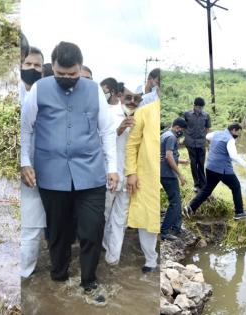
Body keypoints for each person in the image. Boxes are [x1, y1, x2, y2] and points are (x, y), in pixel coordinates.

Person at [21, 41, 118, 294]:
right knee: (58, 231)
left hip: (91, 172)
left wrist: (113, 167)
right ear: (52, 67)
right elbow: (26, 128)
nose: (66, 78)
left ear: (79, 67)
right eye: (61, 74)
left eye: (72, 74)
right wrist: (25, 162)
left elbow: (107, 130)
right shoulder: (38, 90)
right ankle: (59, 275)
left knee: (92, 227)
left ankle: (88, 280)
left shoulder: (94, 90)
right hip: (52, 174)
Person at [183, 123, 246, 220]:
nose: (238, 135)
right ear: (233, 130)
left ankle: (190, 208)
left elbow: (207, 136)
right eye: (238, 132)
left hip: (210, 167)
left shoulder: (217, 133)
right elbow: (233, 156)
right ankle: (239, 212)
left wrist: (213, 144)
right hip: (222, 169)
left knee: (206, 190)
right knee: (236, 186)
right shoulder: (230, 140)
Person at [102, 87, 139, 265]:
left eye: (136, 98)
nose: (132, 101)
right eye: (128, 97)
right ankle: (102, 246)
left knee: (120, 218)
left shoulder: (141, 118)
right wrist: (119, 128)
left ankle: (112, 258)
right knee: (105, 213)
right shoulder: (109, 114)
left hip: (129, 175)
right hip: (111, 173)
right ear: (120, 96)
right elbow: (102, 141)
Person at [125, 99, 160, 273]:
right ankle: (151, 260)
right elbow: (132, 145)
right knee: (146, 217)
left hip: (167, 173)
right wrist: (131, 172)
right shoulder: (144, 112)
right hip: (147, 173)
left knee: (163, 215)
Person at [20, 45, 46, 278]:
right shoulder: (16, 94)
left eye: (37, 65)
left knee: (32, 228)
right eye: (28, 64)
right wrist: (22, 161)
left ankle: (25, 275)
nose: (32, 68)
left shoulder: (41, 95)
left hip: (38, 171)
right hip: (23, 167)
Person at [161, 118, 189, 241]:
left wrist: (181, 161)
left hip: (164, 172)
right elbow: (168, 156)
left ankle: (176, 227)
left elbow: (163, 155)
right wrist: (180, 174)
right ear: (177, 127)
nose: (181, 133)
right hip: (168, 174)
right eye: (181, 130)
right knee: (175, 203)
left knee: (176, 200)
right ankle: (165, 231)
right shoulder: (171, 137)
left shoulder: (165, 134)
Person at [184, 97, 211, 192]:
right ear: (194, 106)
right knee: (193, 163)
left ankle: (203, 184)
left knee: (201, 163)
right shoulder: (187, 114)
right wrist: (185, 136)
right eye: (198, 107)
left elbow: (207, 128)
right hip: (190, 142)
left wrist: (207, 141)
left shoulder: (206, 115)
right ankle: (196, 184)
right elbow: (183, 126)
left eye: (201, 107)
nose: (200, 109)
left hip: (201, 143)